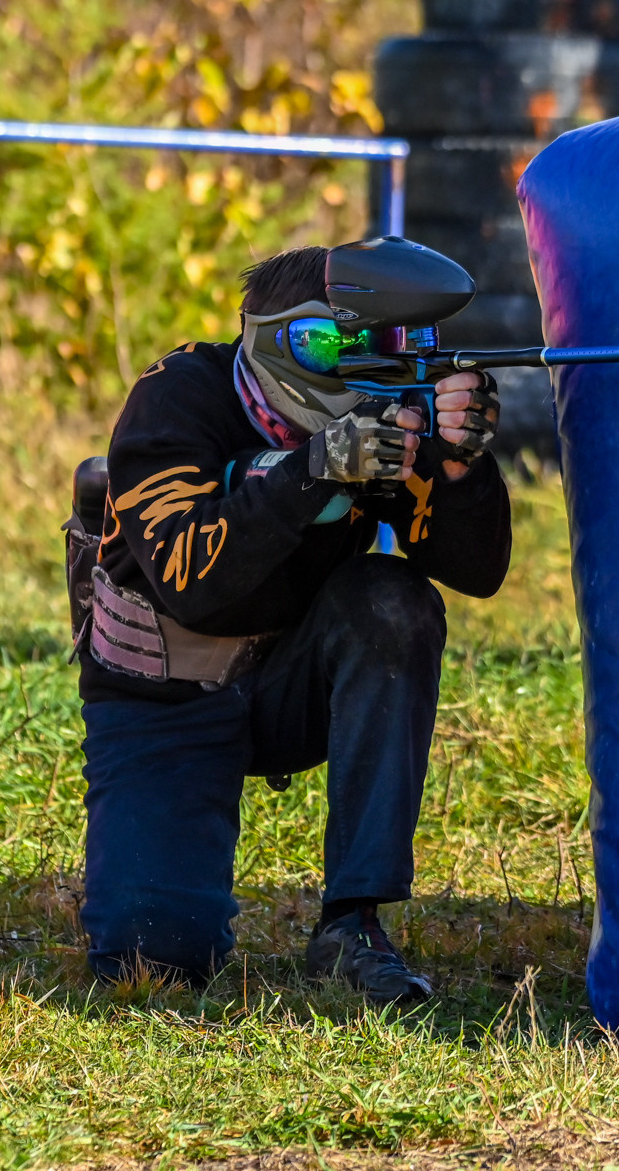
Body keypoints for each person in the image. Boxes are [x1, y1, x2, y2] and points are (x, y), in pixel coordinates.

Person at [75, 236, 512, 1004]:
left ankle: (353, 920)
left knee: (392, 600)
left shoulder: (382, 417)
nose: (357, 366)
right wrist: (314, 470)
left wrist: (458, 464)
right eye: (333, 344)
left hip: (288, 685)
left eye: (377, 347)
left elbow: (477, 570)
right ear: (281, 338)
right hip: (165, 698)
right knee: (155, 959)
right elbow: (191, 581)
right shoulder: (179, 397)